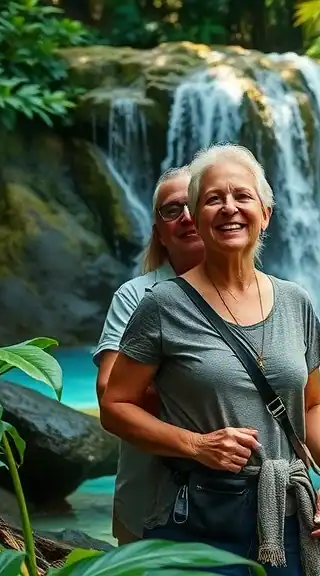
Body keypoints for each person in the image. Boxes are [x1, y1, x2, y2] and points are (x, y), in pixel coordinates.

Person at [99, 143, 320, 576]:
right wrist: (197, 445)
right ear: (196, 214)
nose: (229, 208)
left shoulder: (296, 301)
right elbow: (115, 406)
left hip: (287, 516)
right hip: (198, 515)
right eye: (214, 199)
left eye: (242, 196)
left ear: (265, 213)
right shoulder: (162, 305)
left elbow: (313, 404)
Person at [92, 165, 203, 545]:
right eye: (172, 210)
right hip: (151, 496)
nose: (185, 216)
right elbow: (109, 389)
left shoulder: (260, 297)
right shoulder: (135, 296)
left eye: (193, 204)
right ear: (158, 230)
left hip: (239, 500)